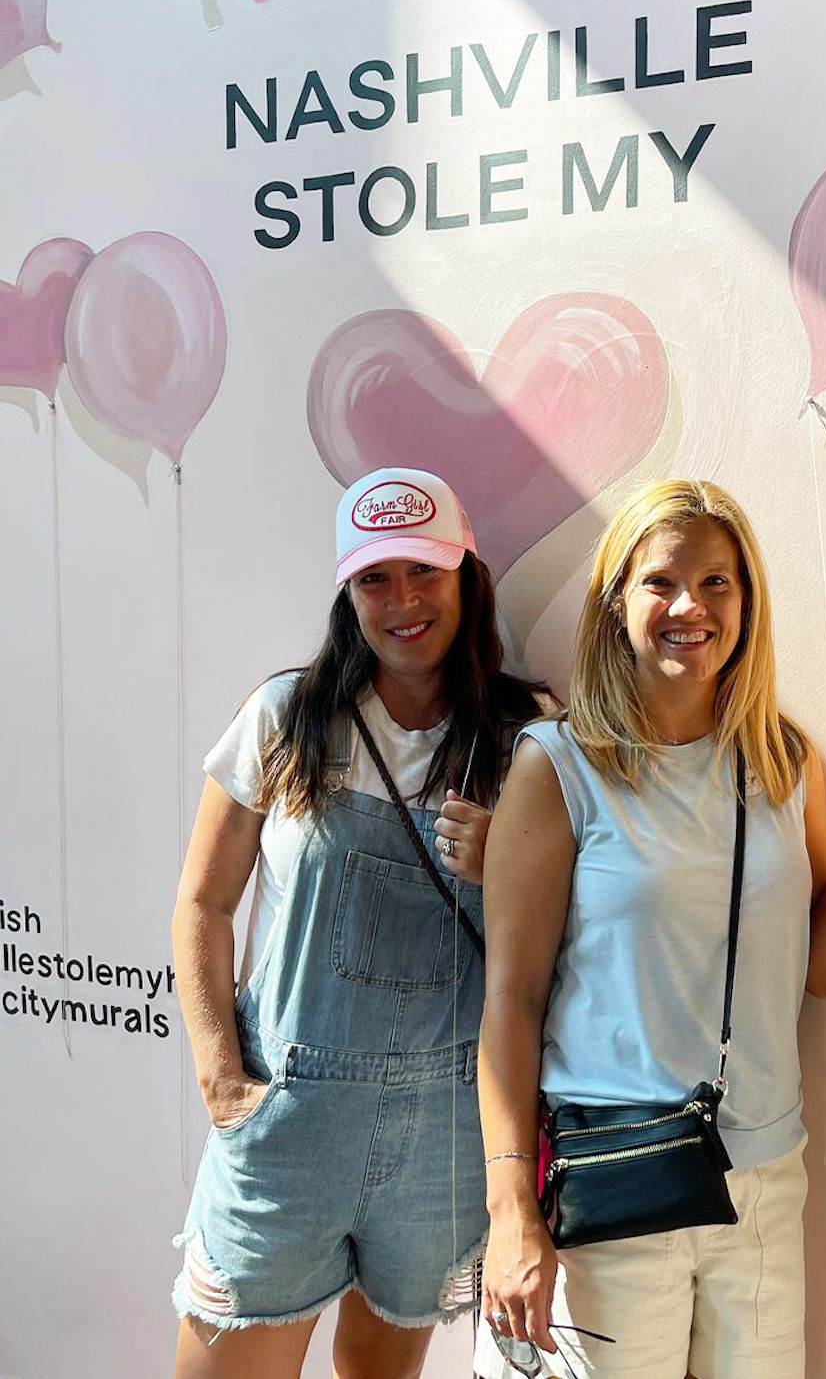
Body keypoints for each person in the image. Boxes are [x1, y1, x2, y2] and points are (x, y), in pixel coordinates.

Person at [474, 478, 826, 1379]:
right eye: (661, 582)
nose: (689, 607)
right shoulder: (558, 768)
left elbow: (815, 973)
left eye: (717, 583)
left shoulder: (784, 760)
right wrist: (511, 1205)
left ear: (746, 603)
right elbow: (508, 1001)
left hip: (764, 1181)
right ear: (615, 600)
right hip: (612, 1178)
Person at [171, 467, 547, 1379]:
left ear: (466, 575)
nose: (404, 600)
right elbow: (203, 904)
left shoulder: (525, 737)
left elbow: (561, 949)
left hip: (444, 1137)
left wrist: (504, 867)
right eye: (376, 578)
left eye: (424, 571)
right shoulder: (287, 718)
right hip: (289, 1124)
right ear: (347, 594)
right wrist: (223, 1080)